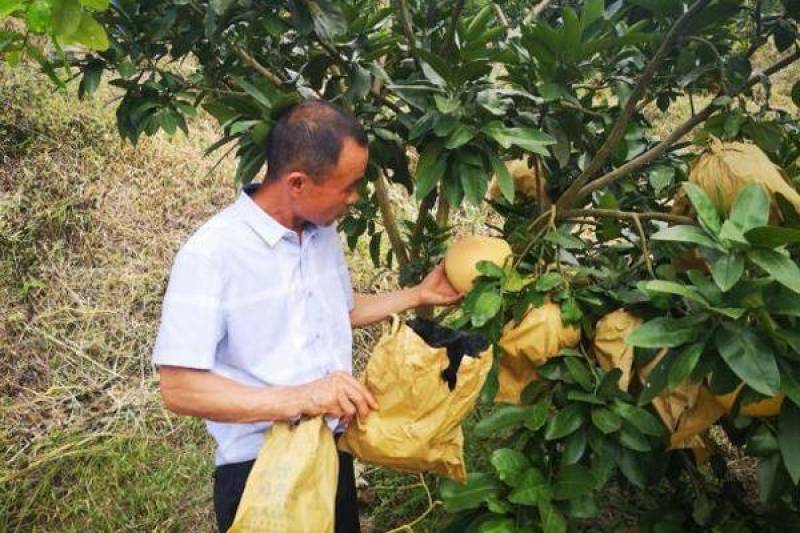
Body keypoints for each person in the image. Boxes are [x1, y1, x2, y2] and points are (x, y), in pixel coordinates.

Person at [152, 100, 462, 532]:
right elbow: (179, 388)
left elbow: (339, 309)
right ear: (297, 182)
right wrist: (301, 398)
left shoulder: (319, 233)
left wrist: (417, 294)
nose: (355, 198)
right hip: (261, 473)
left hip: (330, 454)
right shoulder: (212, 254)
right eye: (348, 186)